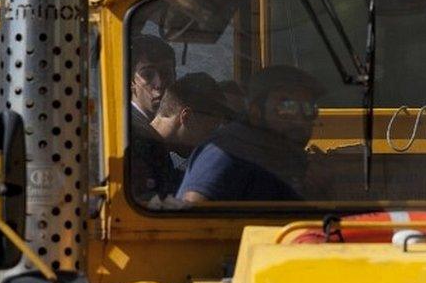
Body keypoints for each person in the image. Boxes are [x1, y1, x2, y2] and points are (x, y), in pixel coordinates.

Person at [177, 65, 325, 202]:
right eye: (286, 107)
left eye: (309, 109)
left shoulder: (290, 159)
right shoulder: (228, 151)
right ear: (256, 112)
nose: (299, 119)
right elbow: (190, 216)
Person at [130, 72, 232, 201]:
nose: (208, 141)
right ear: (187, 117)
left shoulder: (152, 150)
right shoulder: (146, 153)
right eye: (209, 131)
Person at [130, 34, 176, 130]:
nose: (159, 83)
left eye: (166, 72)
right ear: (131, 82)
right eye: (147, 75)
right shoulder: (132, 130)